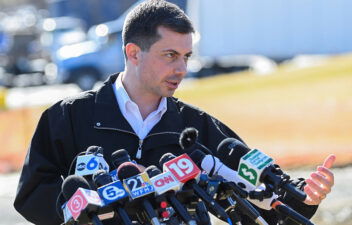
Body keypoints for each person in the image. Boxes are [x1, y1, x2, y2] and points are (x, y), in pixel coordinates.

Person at [14, 0, 335, 224]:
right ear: (133, 53)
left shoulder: (196, 127)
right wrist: (100, 204)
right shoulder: (67, 116)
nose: (182, 68)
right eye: (170, 55)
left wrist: (304, 198)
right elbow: (32, 196)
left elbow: (257, 197)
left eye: (186, 56)